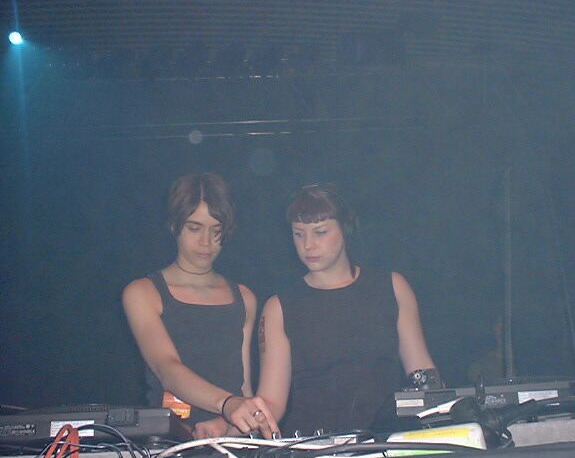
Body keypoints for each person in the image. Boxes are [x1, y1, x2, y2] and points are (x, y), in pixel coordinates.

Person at [256, 183, 441, 435]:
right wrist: (233, 419)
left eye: (320, 232)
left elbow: (422, 374)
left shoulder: (392, 287)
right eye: (299, 234)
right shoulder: (279, 306)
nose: (308, 244)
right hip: (315, 445)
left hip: (386, 440)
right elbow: (271, 402)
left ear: (345, 228)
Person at [123, 172, 279, 439]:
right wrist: (227, 405)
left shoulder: (244, 297)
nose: (205, 241)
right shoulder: (143, 293)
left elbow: (243, 389)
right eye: (194, 228)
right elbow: (167, 369)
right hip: (169, 442)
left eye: (215, 231)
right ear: (174, 225)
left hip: (228, 442)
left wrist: (230, 424)